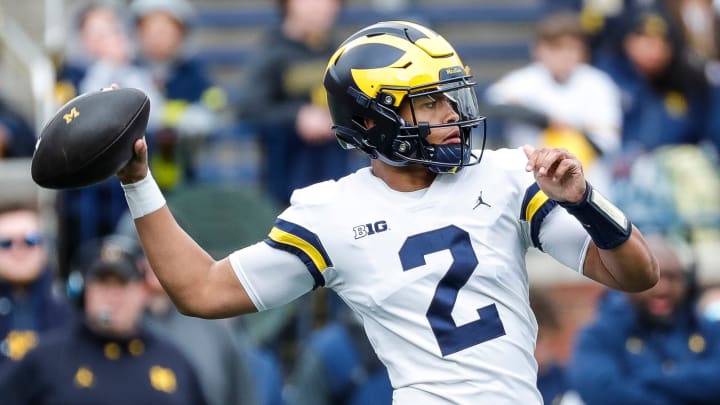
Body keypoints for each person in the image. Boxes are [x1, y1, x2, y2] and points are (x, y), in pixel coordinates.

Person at [116, 21, 658, 404]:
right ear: (373, 120)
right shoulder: (331, 214)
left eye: (452, 98)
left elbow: (637, 275)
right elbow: (201, 291)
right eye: (429, 103)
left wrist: (584, 202)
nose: (453, 115)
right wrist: (139, 182)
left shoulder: (506, 176)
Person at [0, 235, 207, 404]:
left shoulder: (174, 360)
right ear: (85, 292)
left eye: (122, 284)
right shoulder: (45, 359)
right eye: (103, 284)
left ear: (142, 292)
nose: (112, 296)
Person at [567, 234, 720, 405]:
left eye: (672, 277)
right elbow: (601, 392)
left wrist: (646, 376)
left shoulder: (710, 330)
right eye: (650, 278)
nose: (662, 289)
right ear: (626, 281)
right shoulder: (597, 336)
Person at [484, 11, 622, 191]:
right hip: (528, 180)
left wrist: (569, 130)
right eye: (556, 47)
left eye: (572, 48)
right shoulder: (523, 80)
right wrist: (546, 120)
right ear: (538, 49)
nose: (564, 55)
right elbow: (491, 105)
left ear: (584, 52)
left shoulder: (598, 84)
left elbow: (606, 143)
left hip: (586, 183)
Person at [236, 0, 354, 206]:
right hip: (284, 184)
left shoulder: (341, 53)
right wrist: (297, 116)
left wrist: (337, 119)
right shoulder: (271, 52)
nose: (320, 6)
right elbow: (248, 107)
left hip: (337, 182)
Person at [130, 0, 228, 190]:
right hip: (131, 179)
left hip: (186, 175)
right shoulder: (127, 70)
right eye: (151, 29)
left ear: (181, 34)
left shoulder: (194, 72)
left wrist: (186, 119)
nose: (158, 37)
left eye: (166, 30)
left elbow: (213, 107)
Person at [0, 202, 70, 379]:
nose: (18, 250)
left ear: (46, 247)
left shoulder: (74, 310)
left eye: (30, 241)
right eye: (6, 243)